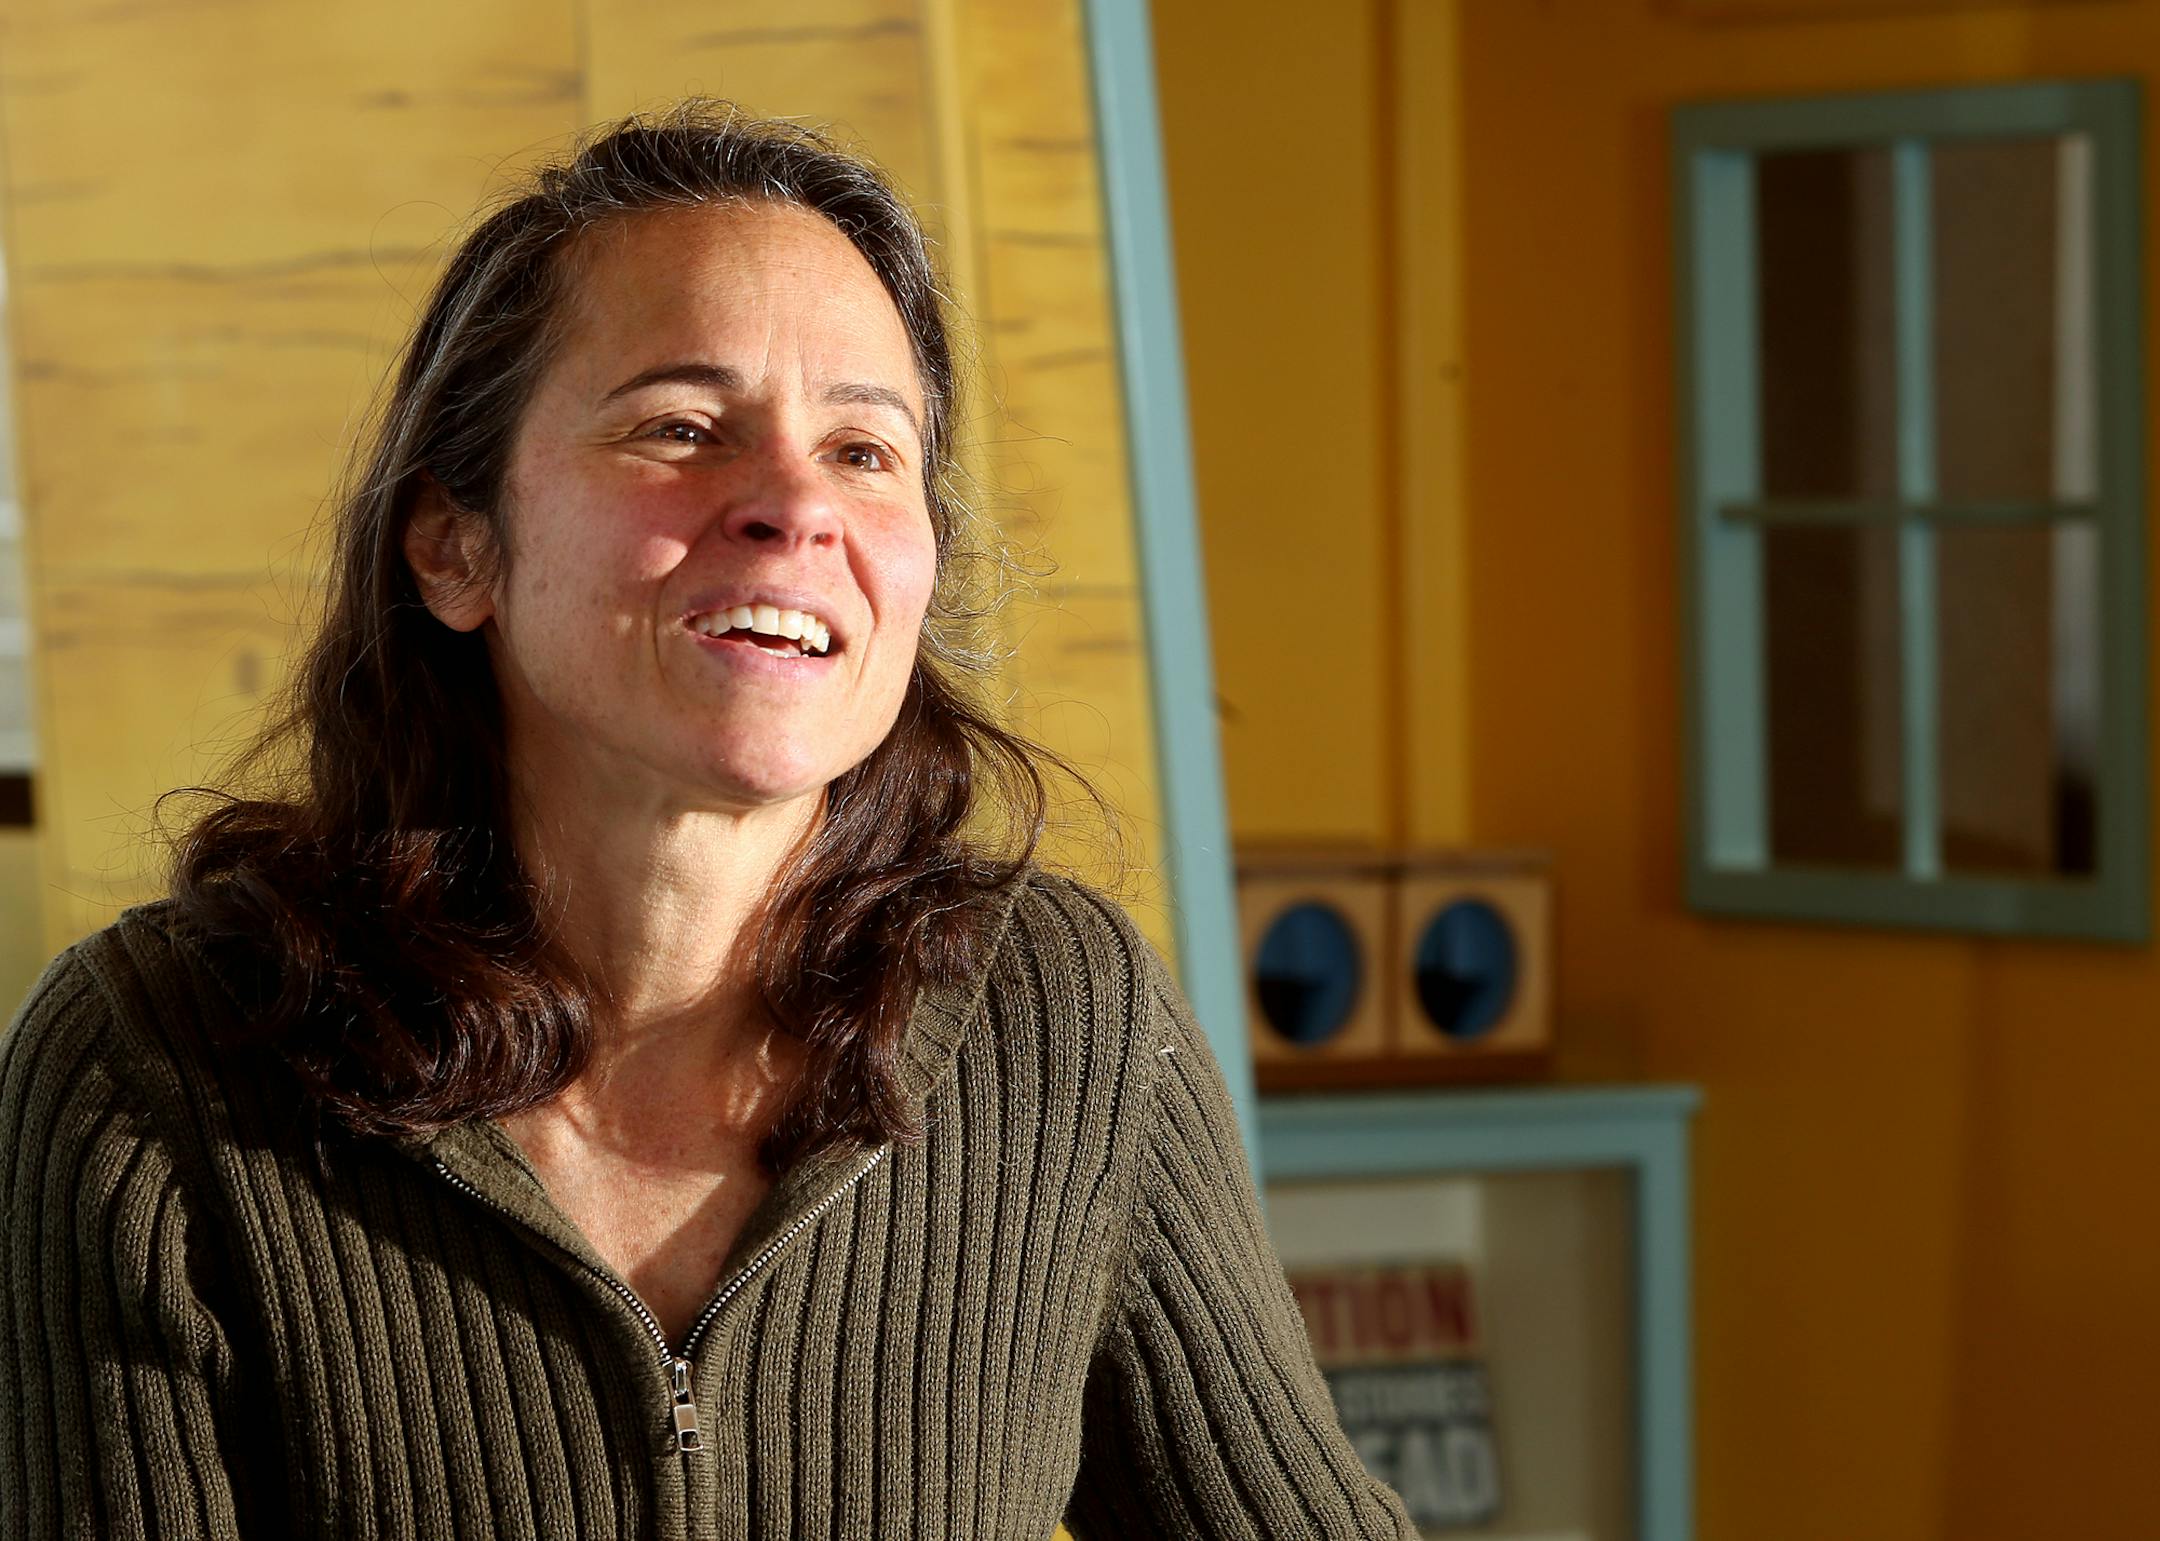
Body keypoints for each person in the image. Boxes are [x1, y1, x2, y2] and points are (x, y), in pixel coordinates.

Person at [0, 102, 1414, 1539]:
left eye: (866, 450)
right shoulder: (154, 1063)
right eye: (680, 427)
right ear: (455, 544)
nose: (794, 506)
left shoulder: (1065, 1019)